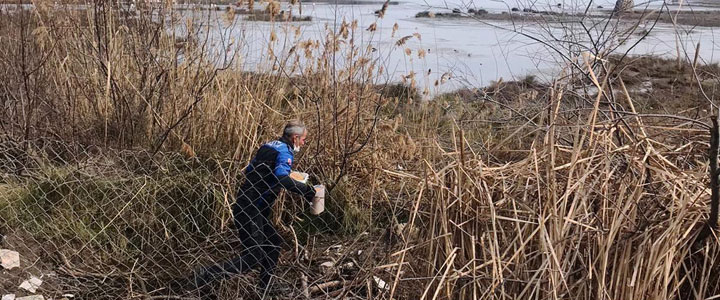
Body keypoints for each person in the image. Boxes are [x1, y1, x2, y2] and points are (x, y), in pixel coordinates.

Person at [193, 120, 316, 293]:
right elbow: (281, 177)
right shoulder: (284, 152)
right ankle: (207, 275)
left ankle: (265, 287)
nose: (303, 143)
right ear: (295, 138)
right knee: (253, 257)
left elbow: (252, 169)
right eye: (303, 139)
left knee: (273, 244)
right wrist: (308, 192)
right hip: (251, 209)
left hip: (249, 206)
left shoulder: (269, 146)